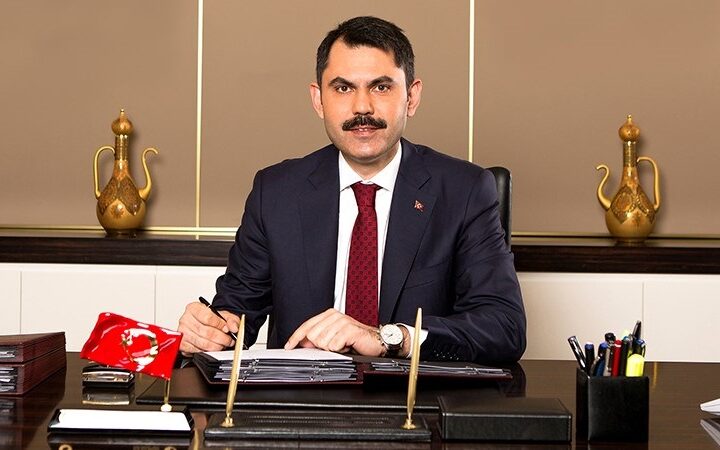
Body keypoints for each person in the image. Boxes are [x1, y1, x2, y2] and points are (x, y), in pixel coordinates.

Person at [177, 16, 526, 363]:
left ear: (412, 97)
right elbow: (237, 312)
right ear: (318, 100)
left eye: (381, 87)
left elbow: (504, 327)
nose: (362, 107)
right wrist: (211, 330)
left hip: (413, 394)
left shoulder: (465, 191)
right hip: (302, 394)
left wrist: (390, 337)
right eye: (343, 88)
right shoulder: (276, 192)